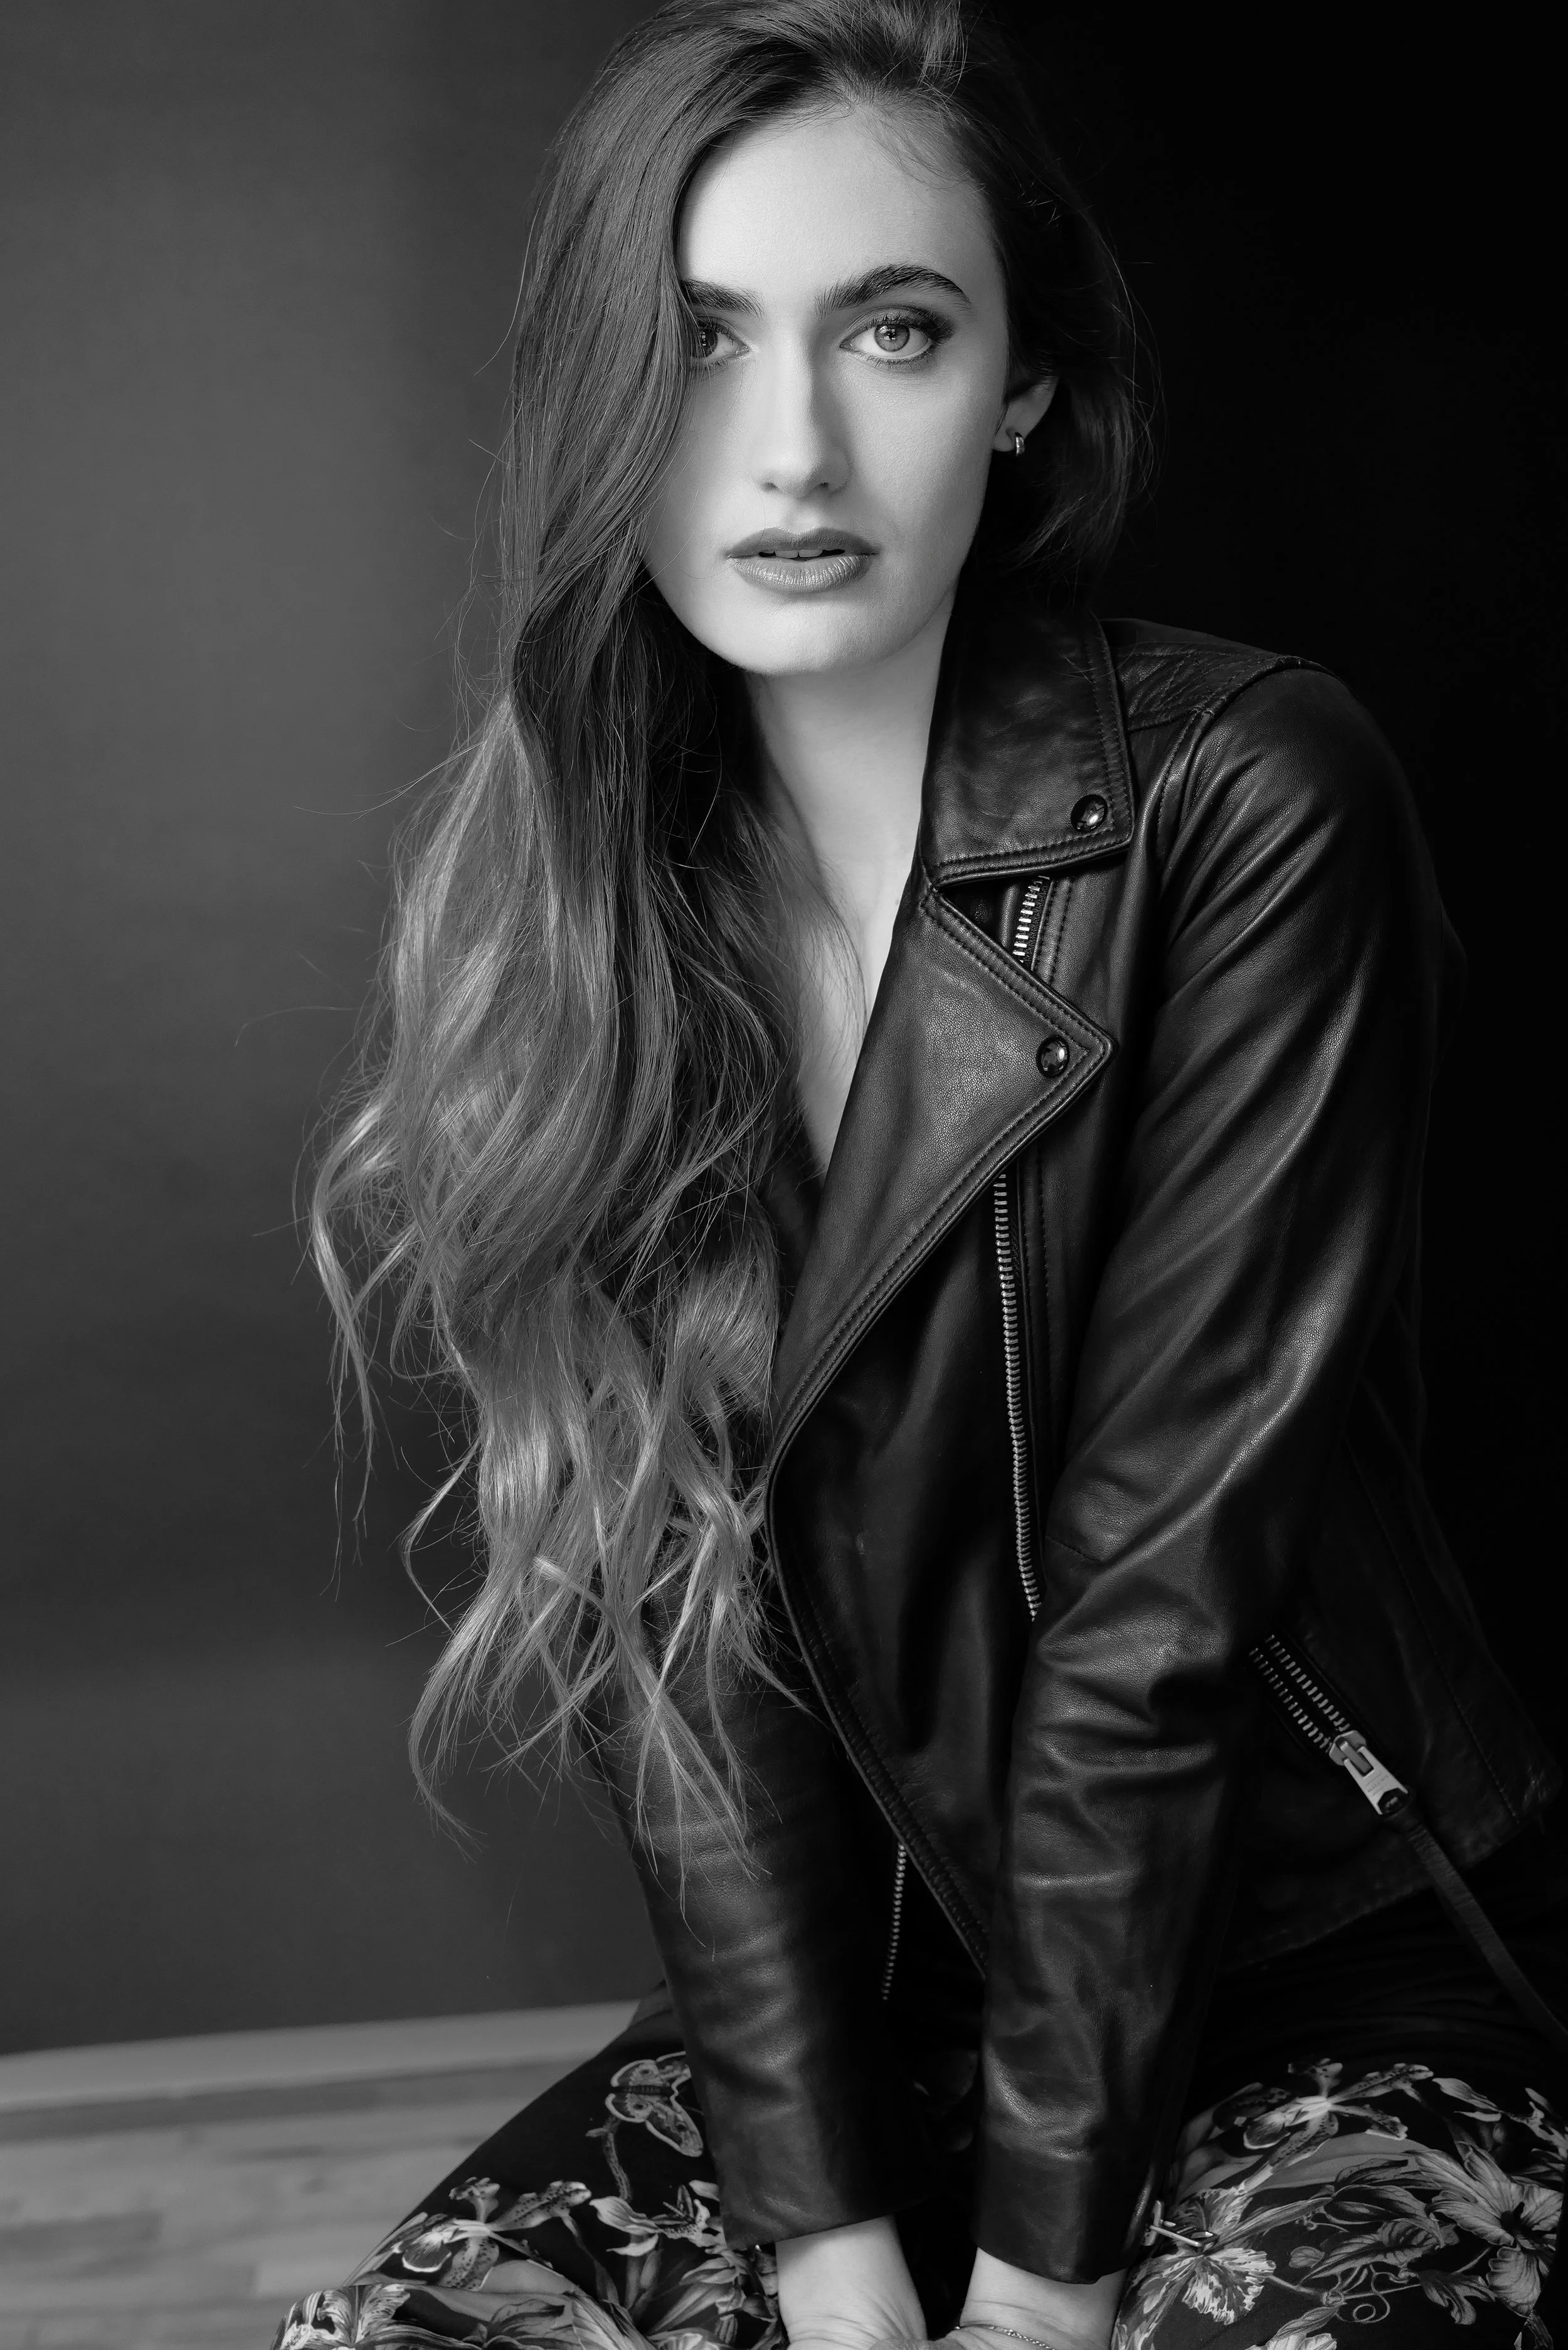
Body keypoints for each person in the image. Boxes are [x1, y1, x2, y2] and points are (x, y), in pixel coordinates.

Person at [275, 4, 1566, 2346]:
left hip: (1303, 1973)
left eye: (892, 329)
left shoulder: (1247, 799)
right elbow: (678, 1627)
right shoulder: (594, 895)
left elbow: (1155, 1613)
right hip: (875, 2014)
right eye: (692, 346)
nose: (786, 446)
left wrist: (1043, 2293)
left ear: (1024, 388)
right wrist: (832, 2251)